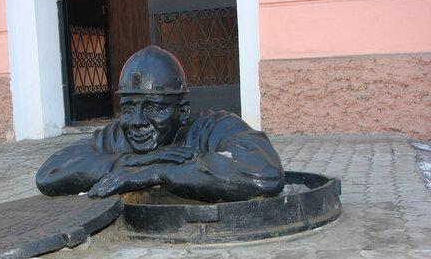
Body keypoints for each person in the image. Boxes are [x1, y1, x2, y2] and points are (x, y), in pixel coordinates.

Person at [36, 46, 284, 203]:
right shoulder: (119, 136)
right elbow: (50, 174)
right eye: (129, 108)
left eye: (154, 108)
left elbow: (265, 175)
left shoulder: (216, 127)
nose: (137, 122)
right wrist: (135, 161)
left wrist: (156, 172)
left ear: (183, 111)